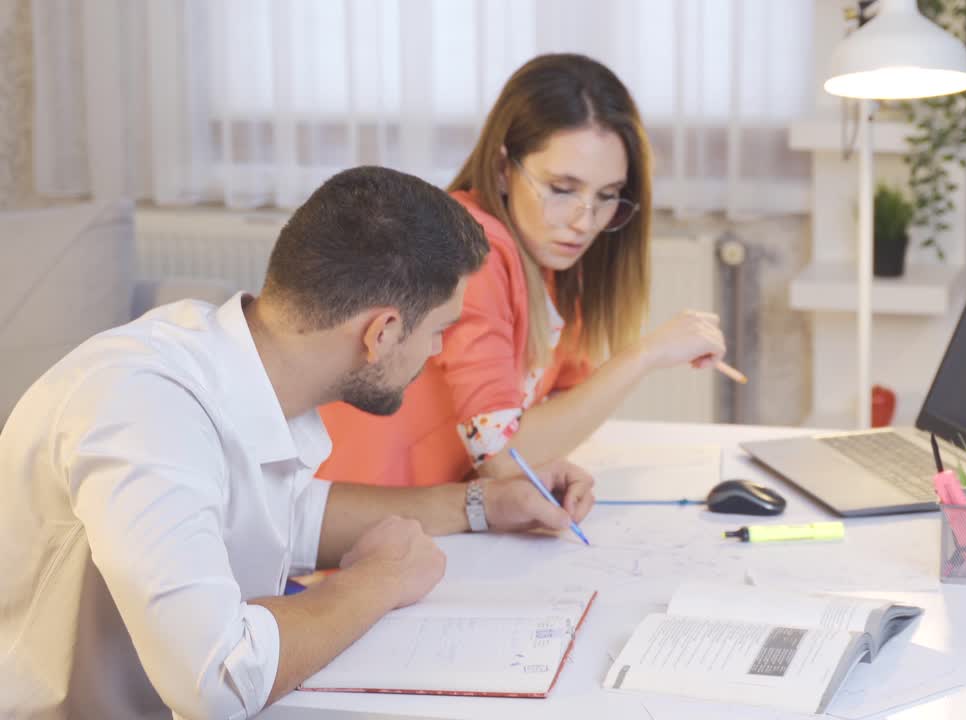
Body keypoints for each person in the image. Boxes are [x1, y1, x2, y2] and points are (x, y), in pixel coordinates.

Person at [0, 166, 595, 720]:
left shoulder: (238, 363)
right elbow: (219, 681)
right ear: (382, 332)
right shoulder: (143, 405)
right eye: (440, 331)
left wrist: (484, 506)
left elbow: (294, 514)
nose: (438, 353)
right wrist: (377, 580)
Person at [319, 53, 727, 488]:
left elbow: (560, 407)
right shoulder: (473, 251)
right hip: (360, 519)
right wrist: (644, 355)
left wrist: (542, 463)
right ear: (501, 169)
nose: (585, 221)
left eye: (607, 195)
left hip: (438, 512)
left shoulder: (553, 257)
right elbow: (501, 456)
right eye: (562, 189)